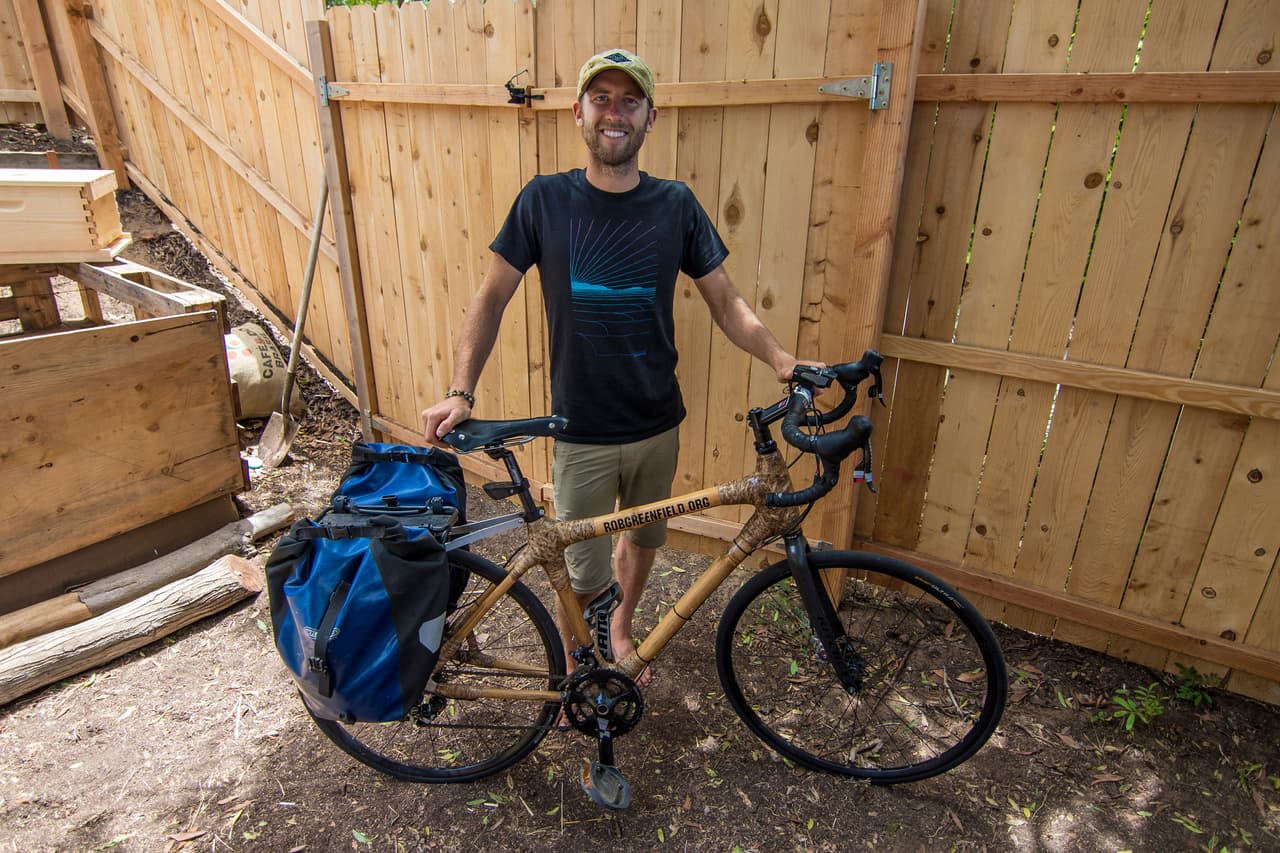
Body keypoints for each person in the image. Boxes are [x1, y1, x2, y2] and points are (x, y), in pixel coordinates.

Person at [421, 48, 809, 684]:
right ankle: (582, 653)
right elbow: (491, 296)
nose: (614, 113)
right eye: (601, 98)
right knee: (580, 564)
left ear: (650, 118)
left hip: (657, 420)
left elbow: (727, 301)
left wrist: (781, 359)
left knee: (645, 541)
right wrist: (461, 389)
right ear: (578, 112)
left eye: (629, 100)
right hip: (580, 429)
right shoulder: (543, 201)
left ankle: (620, 629)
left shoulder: (675, 205)